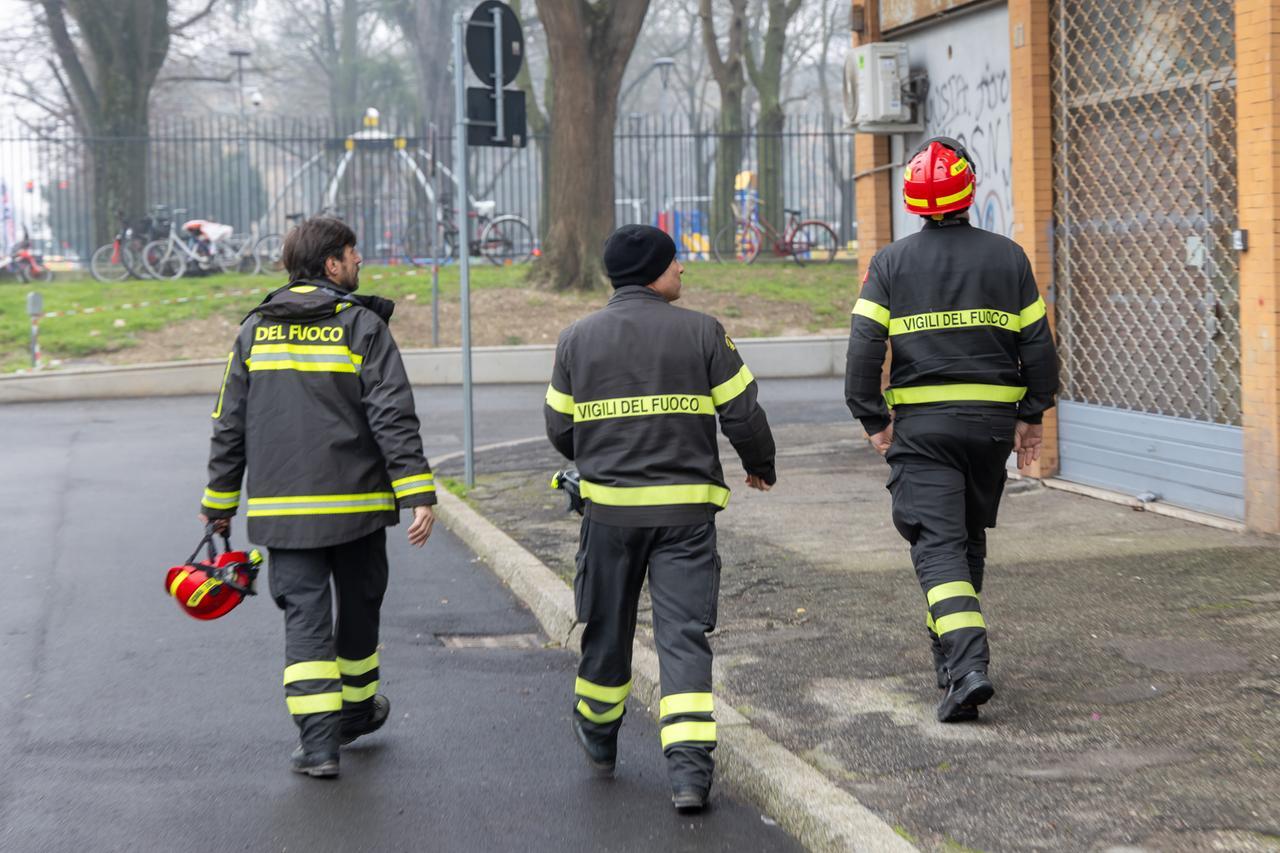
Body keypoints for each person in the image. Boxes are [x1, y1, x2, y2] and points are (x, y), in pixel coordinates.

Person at [544, 224, 777, 812]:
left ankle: (599, 734)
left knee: (606, 626)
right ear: (652, 270)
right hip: (685, 518)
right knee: (683, 637)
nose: (683, 272)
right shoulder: (702, 331)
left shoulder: (576, 339)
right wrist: (760, 464)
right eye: (676, 264)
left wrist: (602, 455)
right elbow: (743, 413)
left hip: (610, 518)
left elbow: (559, 430)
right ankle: (690, 776)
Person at [198, 217, 437, 777]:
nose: (360, 264)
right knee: (359, 609)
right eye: (354, 254)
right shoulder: (361, 327)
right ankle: (356, 710)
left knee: (304, 619)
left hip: (285, 515)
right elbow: (392, 415)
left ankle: (319, 745)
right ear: (331, 263)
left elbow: (227, 425)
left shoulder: (254, 330)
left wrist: (219, 504)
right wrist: (417, 492)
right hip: (356, 508)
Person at [844, 137, 1059, 723]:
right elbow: (1038, 346)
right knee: (964, 539)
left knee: (938, 547)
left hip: (925, 431)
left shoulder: (890, 263)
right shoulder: (1009, 257)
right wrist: (1031, 415)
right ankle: (952, 666)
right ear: (968, 191)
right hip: (989, 431)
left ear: (913, 200)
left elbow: (864, 349)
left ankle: (967, 667)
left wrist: (871, 416)